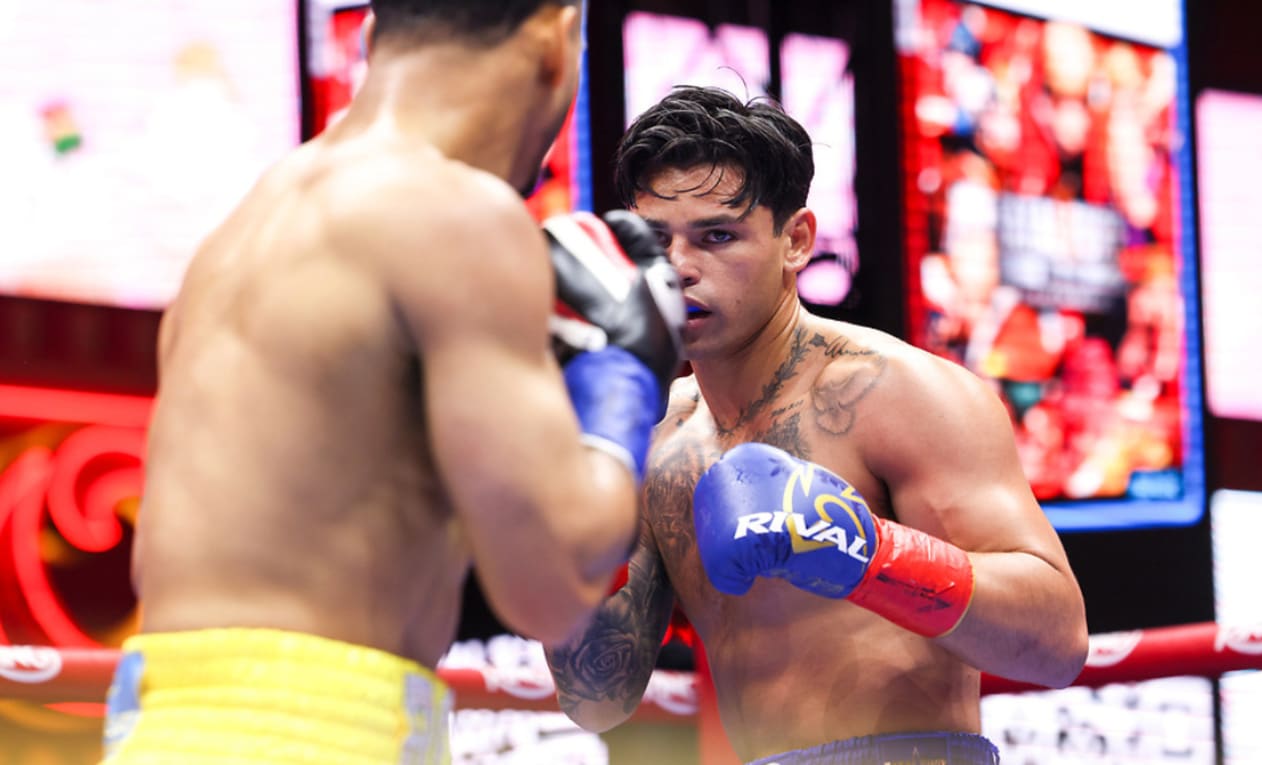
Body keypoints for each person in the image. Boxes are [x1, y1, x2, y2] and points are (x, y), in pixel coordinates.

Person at [102, 2, 684, 763]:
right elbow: (550, 587)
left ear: (373, 37)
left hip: (162, 727)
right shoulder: (455, 214)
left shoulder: (239, 231)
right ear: (555, 43)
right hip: (312, 735)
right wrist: (625, 372)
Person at [545, 85, 1090, 765]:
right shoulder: (659, 438)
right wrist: (582, 494)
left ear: (796, 241)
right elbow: (596, 696)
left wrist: (862, 551)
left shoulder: (896, 393)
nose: (679, 268)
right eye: (656, 241)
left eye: (718, 236)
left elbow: (1058, 640)